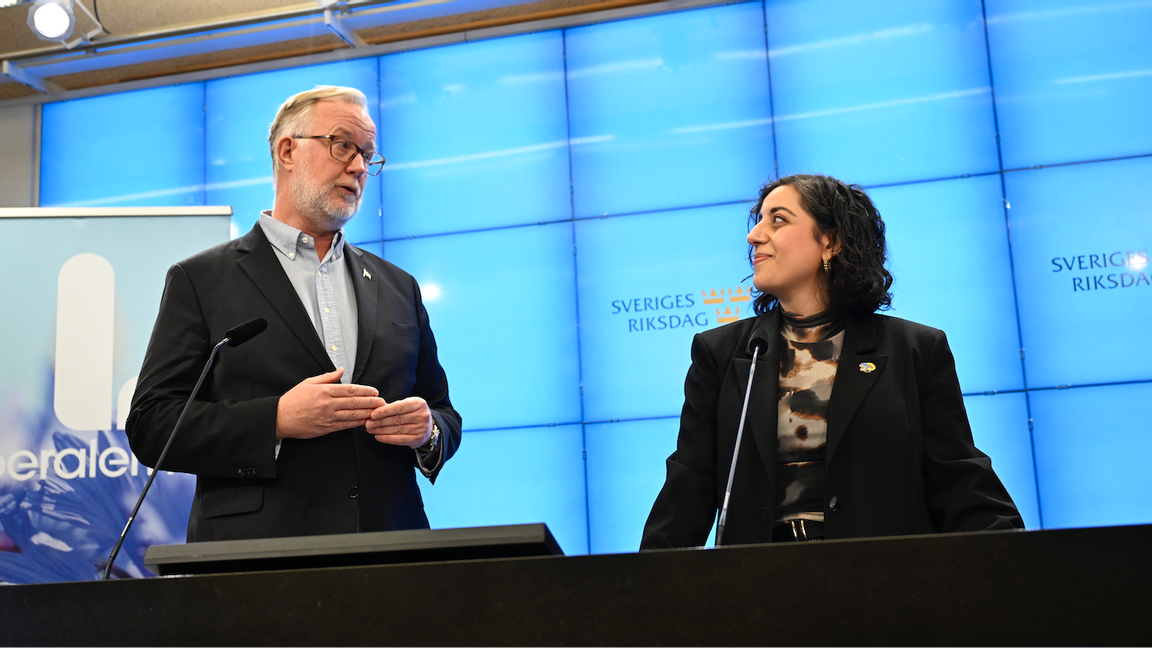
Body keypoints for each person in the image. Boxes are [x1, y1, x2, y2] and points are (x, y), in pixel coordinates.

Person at [126, 86, 461, 542]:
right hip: (258, 558)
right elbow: (152, 423)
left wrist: (427, 431)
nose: (359, 166)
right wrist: (277, 419)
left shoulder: (398, 286)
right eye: (343, 145)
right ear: (288, 150)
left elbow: (442, 412)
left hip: (391, 552)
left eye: (368, 154)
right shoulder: (201, 279)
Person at [641, 174, 1022, 549]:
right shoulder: (723, 354)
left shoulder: (915, 349)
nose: (754, 235)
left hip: (883, 585)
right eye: (758, 221)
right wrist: (643, 591)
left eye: (778, 219)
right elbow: (688, 488)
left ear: (831, 241)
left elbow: (958, 479)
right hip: (758, 592)